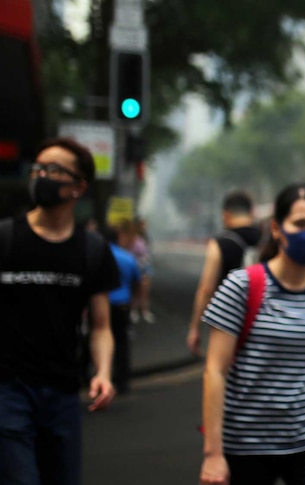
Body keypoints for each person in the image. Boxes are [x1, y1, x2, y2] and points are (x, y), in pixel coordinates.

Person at [199, 183, 305, 485]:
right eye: (301, 224)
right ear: (277, 229)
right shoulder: (241, 286)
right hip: (246, 446)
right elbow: (215, 371)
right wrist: (213, 454)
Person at [0, 137, 119, 485]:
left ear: (78, 187)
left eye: (54, 170)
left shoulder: (92, 250)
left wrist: (104, 372)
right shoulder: (5, 238)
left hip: (63, 393)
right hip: (8, 390)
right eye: (37, 168)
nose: (41, 176)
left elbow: (100, 326)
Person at [187, 191, 262, 355]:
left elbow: (206, 288)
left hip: (230, 320)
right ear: (251, 212)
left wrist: (195, 328)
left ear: (226, 215)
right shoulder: (268, 239)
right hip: (264, 317)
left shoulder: (220, 243)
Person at [105, 224, 142, 395]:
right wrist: (135, 302)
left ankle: (97, 378)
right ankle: (122, 382)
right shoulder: (127, 258)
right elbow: (137, 281)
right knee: (122, 343)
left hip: (102, 307)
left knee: (97, 340)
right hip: (122, 306)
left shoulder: (97, 256)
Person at [128, 218, 154, 324]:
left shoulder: (145, 237)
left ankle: (145, 311)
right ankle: (134, 310)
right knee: (135, 290)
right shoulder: (133, 239)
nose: (144, 227)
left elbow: (147, 252)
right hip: (136, 267)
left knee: (144, 290)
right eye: (142, 225)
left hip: (145, 267)